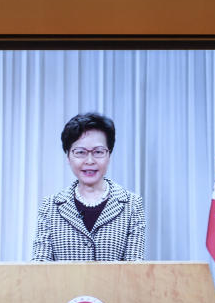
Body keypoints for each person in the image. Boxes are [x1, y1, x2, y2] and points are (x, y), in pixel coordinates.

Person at [31, 112, 145, 261]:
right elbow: (40, 266)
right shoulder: (50, 206)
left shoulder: (132, 204)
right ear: (68, 156)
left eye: (98, 152)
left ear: (109, 155)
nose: (89, 161)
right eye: (80, 152)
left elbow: (135, 269)